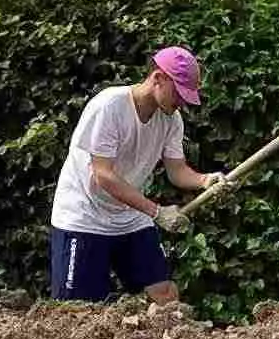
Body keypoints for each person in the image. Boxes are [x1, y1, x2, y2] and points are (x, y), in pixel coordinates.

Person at [49, 47, 216, 306]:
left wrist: (206, 181)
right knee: (76, 313)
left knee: (165, 297)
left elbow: (177, 171)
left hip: (129, 216)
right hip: (84, 216)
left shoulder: (171, 120)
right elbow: (103, 175)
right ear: (158, 78)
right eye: (179, 94)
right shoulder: (110, 106)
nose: (181, 102)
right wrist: (157, 212)